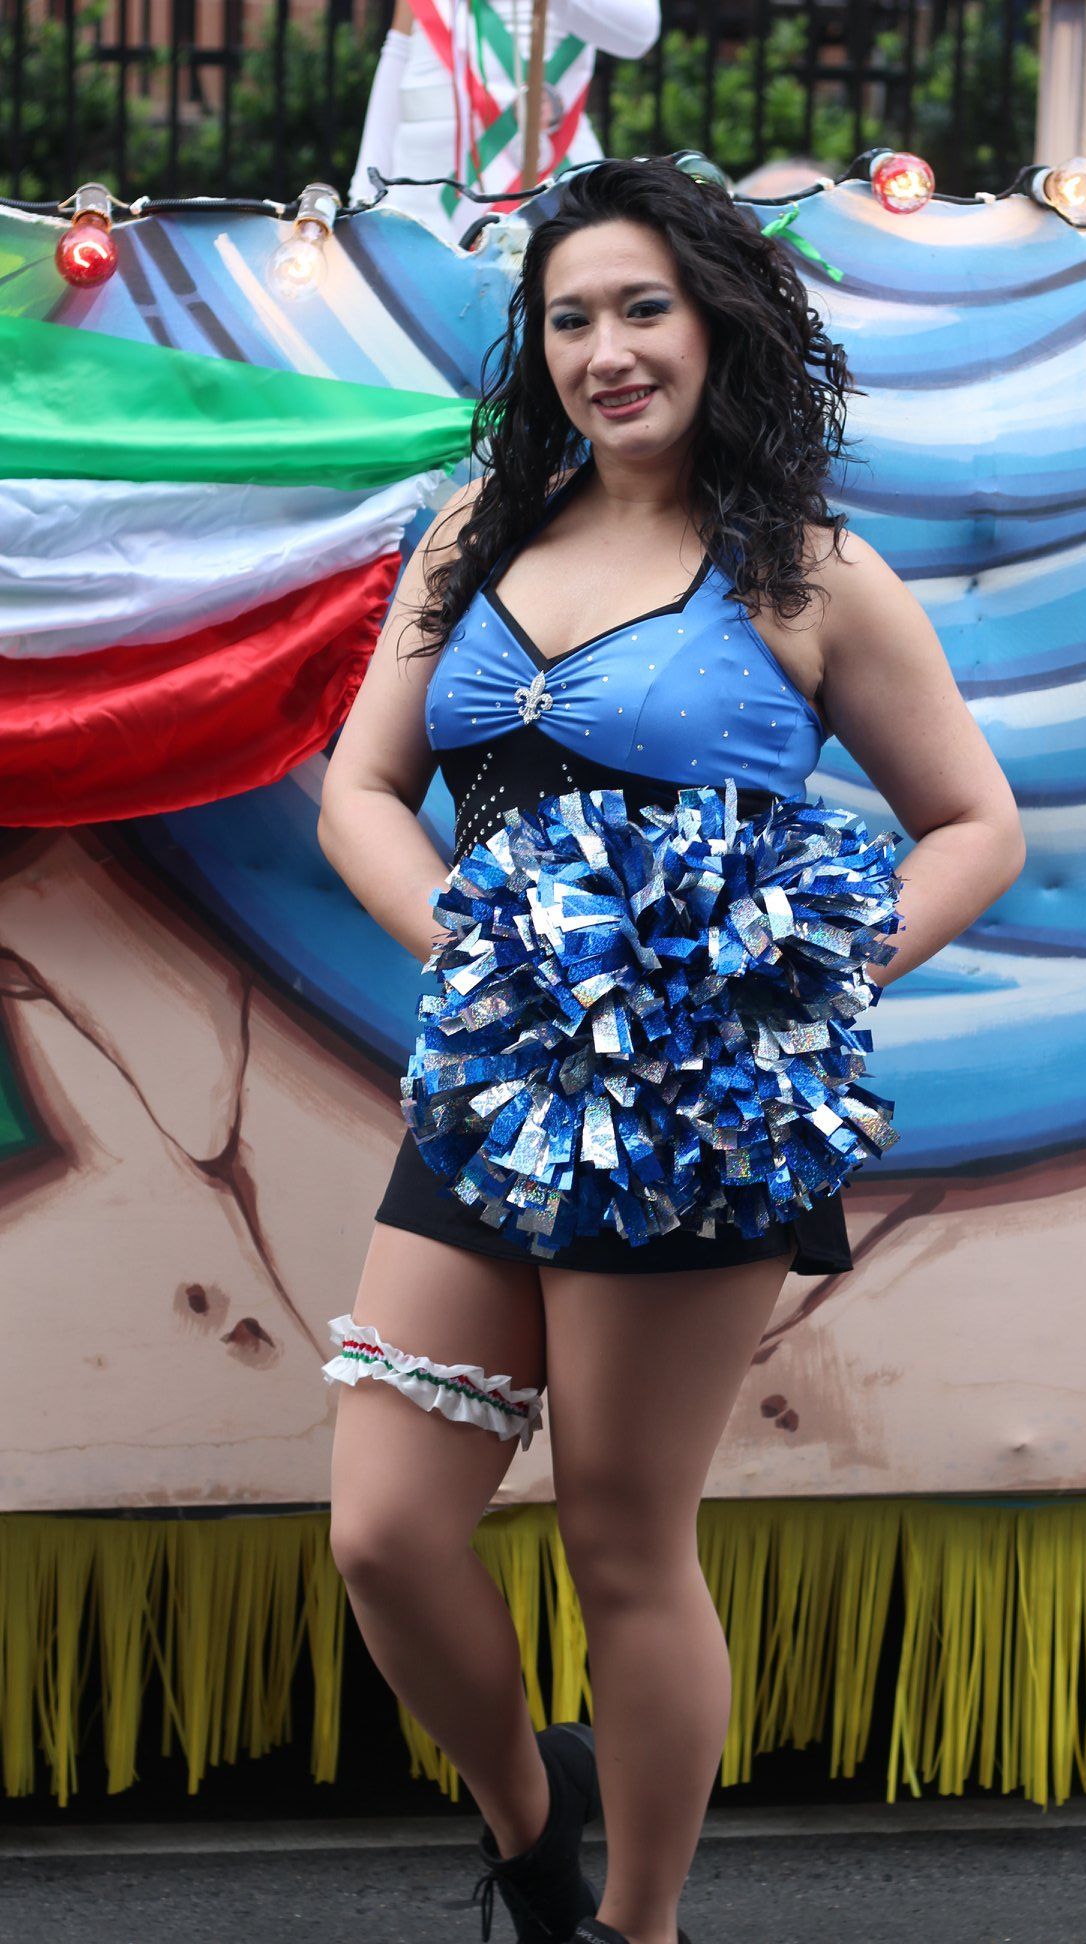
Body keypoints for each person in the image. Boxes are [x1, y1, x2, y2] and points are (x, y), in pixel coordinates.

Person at [317, 157, 1026, 1944]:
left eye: (644, 307)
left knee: (622, 1542)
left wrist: (788, 978)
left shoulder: (810, 575)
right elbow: (363, 791)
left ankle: (637, 1927)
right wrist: (475, 948)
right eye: (571, 318)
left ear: (716, 324)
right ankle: (528, 1816)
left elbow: (975, 826)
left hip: (695, 1124)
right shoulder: (476, 533)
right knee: (384, 1532)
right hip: (494, 1093)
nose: (608, 350)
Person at [349, 0, 660, 246]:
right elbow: (399, 50)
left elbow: (639, 35)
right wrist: (363, 191)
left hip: (550, 164)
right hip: (423, 180)